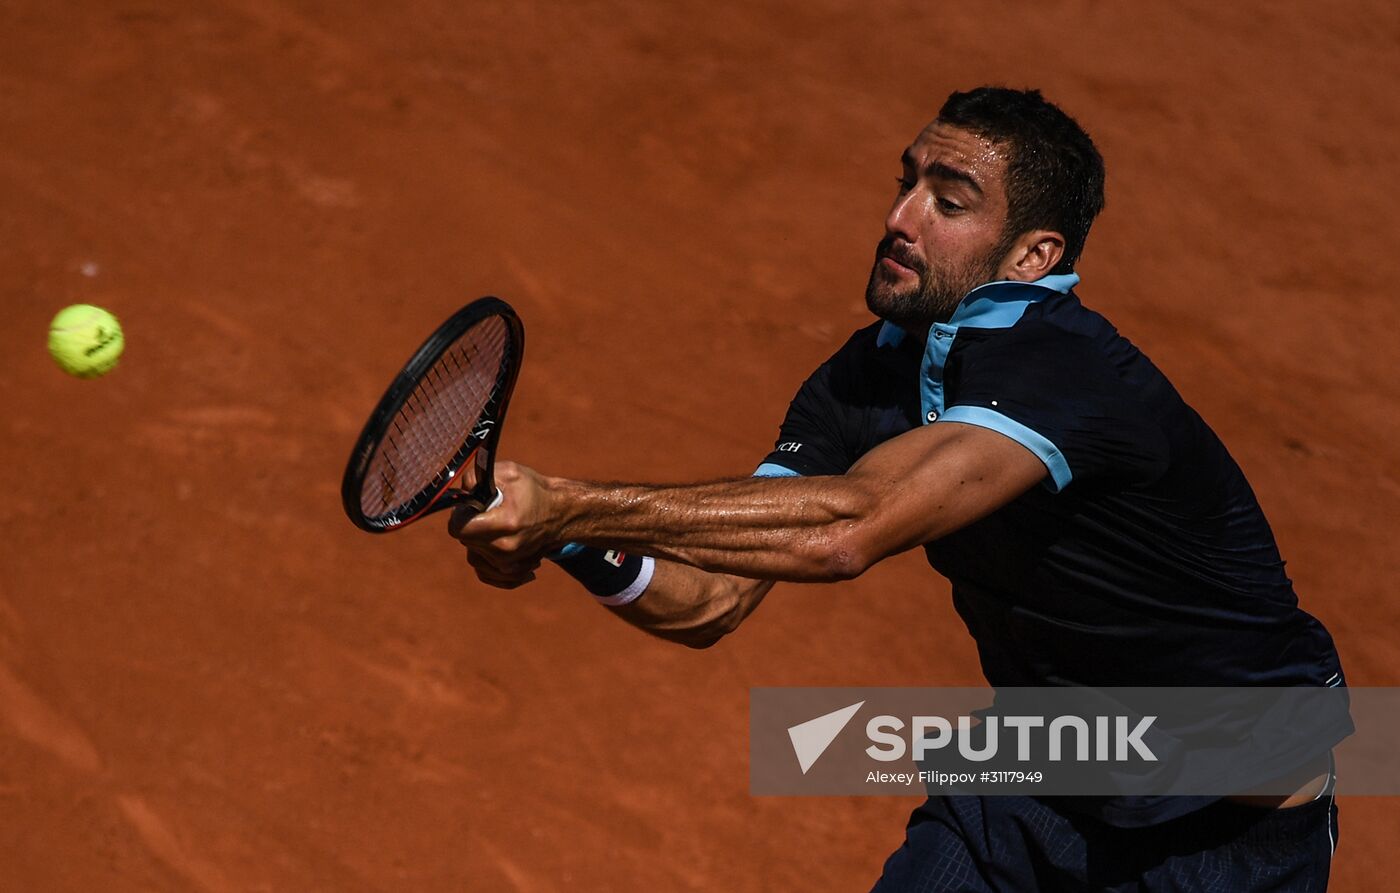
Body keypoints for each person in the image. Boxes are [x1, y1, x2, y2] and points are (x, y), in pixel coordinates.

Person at [450, 87, 1347, 891]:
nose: (898, 216)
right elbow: (710, 600)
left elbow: (850, 528)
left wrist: (571, 501)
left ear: (1035, 254)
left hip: (1222, 827)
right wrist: (566, 541)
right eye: (905, 183)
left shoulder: (1063, 371)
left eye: (948, 203)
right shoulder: (863, 379)